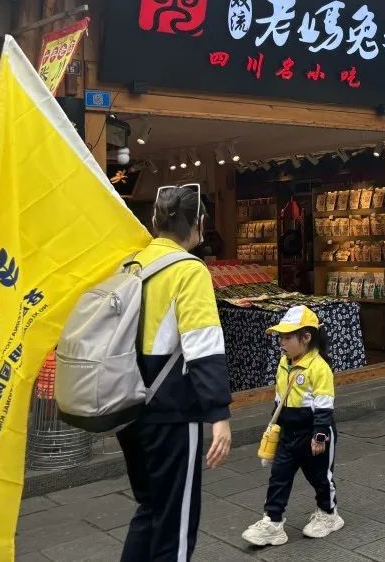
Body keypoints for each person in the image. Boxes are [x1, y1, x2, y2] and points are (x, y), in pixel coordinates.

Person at [118, 185, 232, 562]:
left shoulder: (131, 263)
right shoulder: (189, 270)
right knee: (175, 526)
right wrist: (218, 414)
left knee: (149, 509)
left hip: (127, 405)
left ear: (154, 220)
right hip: (171, 411)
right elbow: (203, 345)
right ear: (199, 224)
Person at [242, 306, 342, 546]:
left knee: (320, 477)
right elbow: (279, 399)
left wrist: (319, 436)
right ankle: (273, 522)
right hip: (289, 432)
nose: (282, 342)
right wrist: (274, 429)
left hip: (313, 432)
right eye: (281, 337)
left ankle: (329, 514)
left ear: (306, 337)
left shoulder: (319, 367)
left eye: (287, 337)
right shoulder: (284, 362)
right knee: (279, 476)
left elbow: (324, 405)